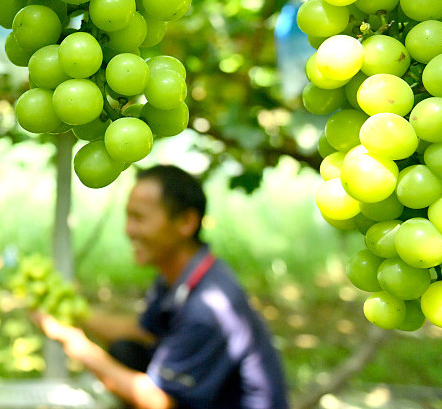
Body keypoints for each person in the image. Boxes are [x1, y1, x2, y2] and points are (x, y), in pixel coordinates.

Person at [34, 165, 289, 409]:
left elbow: (159, 401)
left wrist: (76, 345)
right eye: (128, 216)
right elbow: (143, 332)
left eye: (139, 218)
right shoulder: (181, 276)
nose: (128, 230)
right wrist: (75, 318)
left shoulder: (208, 308)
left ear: (187, 222)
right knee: (126, 350)